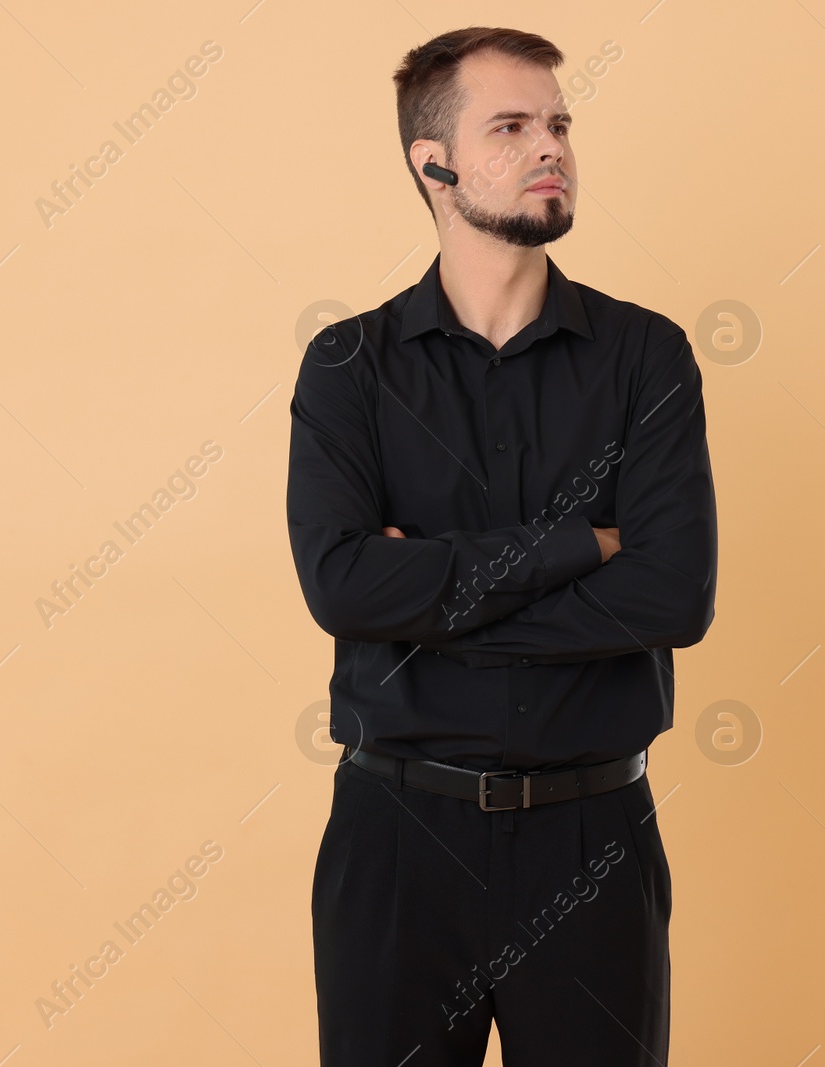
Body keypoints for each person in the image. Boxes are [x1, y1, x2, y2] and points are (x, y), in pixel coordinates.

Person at [285, 25, 717, 1066]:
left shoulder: (644, 355)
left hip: (591, 836)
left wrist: (427, 603)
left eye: (560, 123)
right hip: (397, 837)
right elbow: (342, 582)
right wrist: (582, 544)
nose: (551, 147)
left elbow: (673, 598)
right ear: (432, 163)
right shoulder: (350, 366)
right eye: (512, 126)